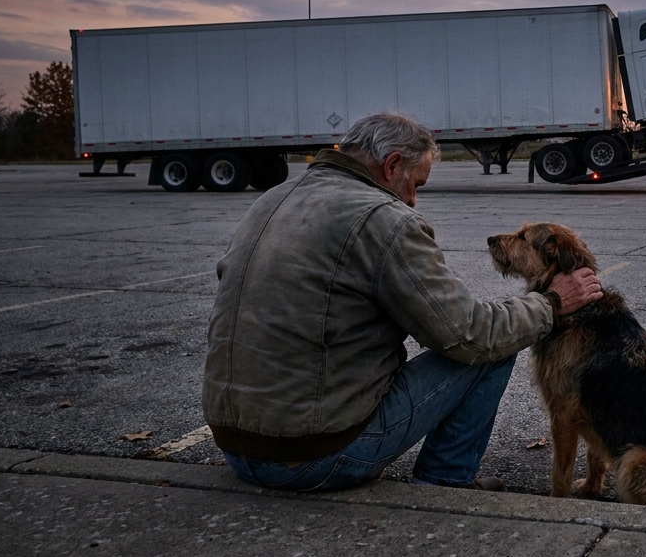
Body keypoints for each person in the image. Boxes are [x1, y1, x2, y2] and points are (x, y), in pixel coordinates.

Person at [202, 112, 602, 492]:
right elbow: (469, 333)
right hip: (312, 459)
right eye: (417, 184)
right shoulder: (385, 219)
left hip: (238, 447)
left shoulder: (273, 199)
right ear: (392, 165)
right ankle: (445, 481)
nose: (412, 200)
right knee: (496, 345)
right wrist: (551, 303)